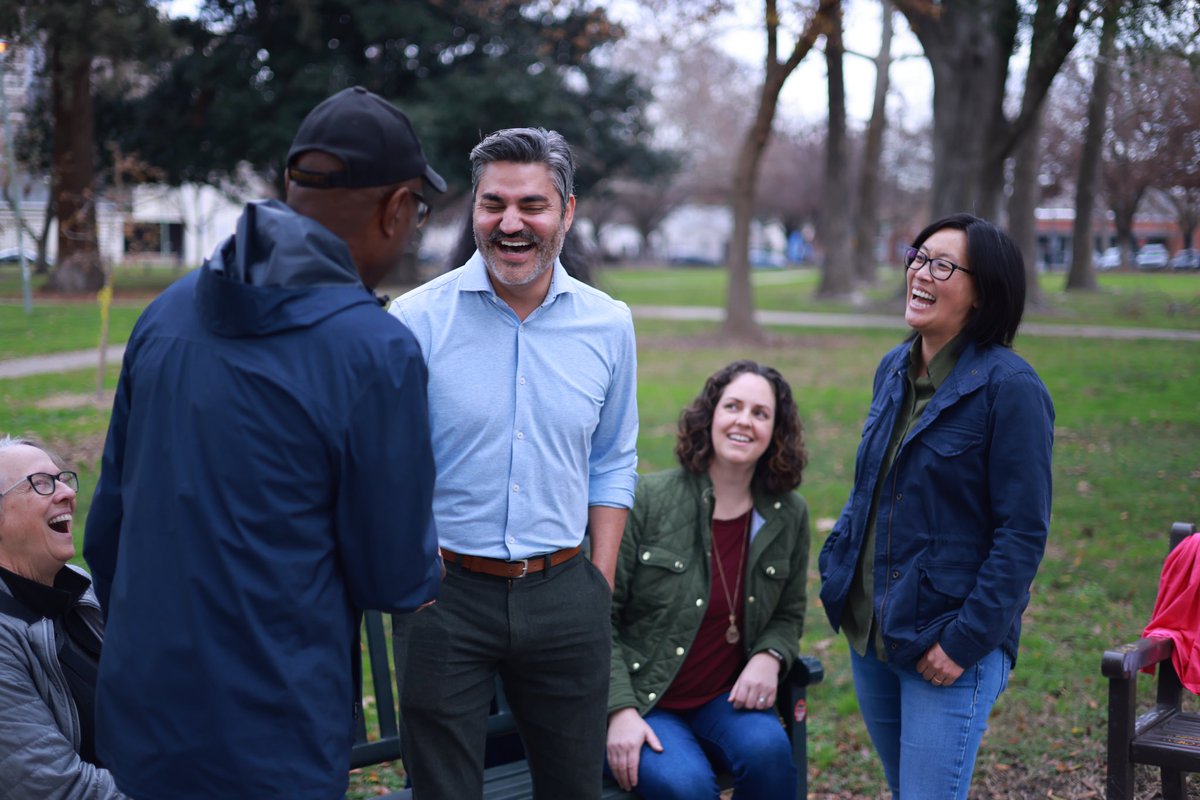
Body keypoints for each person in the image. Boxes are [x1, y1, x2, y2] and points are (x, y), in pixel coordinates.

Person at [83, 86, 445, 800]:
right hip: (275, 730)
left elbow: (109, 529)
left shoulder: (165, 314)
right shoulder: (375, 352)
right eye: (416, 215)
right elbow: (393, 576)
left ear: (289, 187)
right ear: (397, 208)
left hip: (143, 712)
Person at [388, 126, 639, 799]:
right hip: (444, 598)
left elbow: (614, 458)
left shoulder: (609, 325)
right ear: (473, 211)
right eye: (493, 204)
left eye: (532, 205)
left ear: (567, 212)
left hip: (566, 593)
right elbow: (387, 465)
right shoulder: (415, 322)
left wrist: (599, 580)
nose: (511, 223)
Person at [818, 213, 1055, 799]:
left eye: (943, 264)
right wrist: (838, 567)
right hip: (874, 634)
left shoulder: (1011, 389)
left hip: (948, 646)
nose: (922, 273)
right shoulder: (894, 369)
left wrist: (963, 643)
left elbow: (1021, 534)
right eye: (918, 257)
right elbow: (868, 489)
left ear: (983, 293)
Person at [605, 360, 810, 800]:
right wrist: (618, 710)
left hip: (724, 699)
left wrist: (770, 656)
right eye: (732, 406)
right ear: (710, 416)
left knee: (770, 754)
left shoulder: (788, 515)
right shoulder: (648, 500)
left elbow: (789, 612)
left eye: (760, 413)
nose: (744, 421)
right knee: (687, 786)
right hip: (647, 699)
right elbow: (598, 618)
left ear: (776, 431)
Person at [0, 436, 127, 799]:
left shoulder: (81, 588)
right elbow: (60, 788)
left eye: (62, 479)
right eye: (40, 484)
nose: (66, 493)